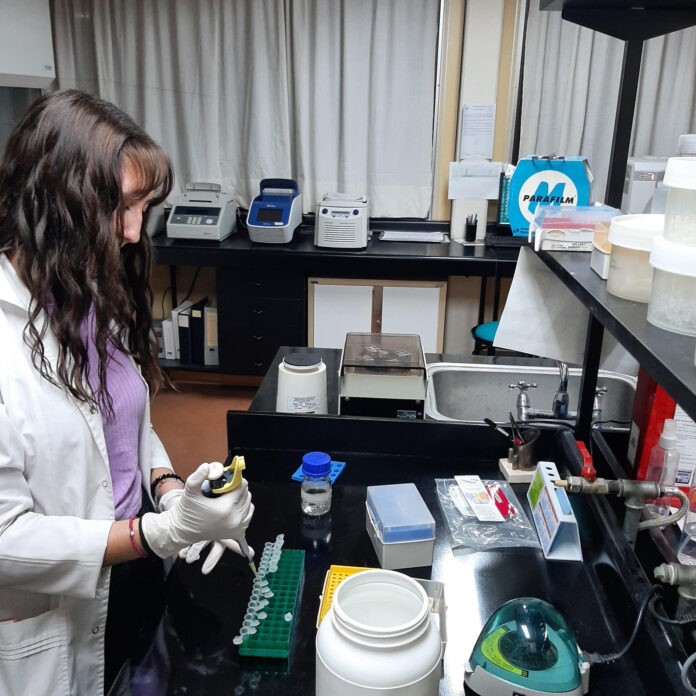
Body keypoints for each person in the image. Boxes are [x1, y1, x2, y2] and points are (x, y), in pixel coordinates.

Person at [0, 90, 254, 695]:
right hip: (60, 612)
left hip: (133, 577)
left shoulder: (82, 294)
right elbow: (6, 539)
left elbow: (120, 422)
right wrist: (154, 535)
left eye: (143, 208)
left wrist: (171, 493)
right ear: (54, 201)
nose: (136, 232)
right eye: (120, 207)